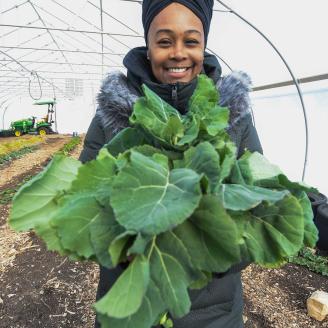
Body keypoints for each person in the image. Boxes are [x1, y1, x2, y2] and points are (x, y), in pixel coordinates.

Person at [79, 1, 263, 327]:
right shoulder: (112, 113)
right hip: (132, 304)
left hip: (212, 312)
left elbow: (258, 200)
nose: (178, 53)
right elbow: (83, 203)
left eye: (191, 41)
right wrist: (128, 250)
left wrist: (215, 253)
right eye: (164, 41)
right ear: (148, 48)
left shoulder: (231, 112)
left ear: (203, 46)